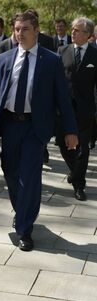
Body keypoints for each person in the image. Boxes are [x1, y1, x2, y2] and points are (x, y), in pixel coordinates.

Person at [0, 11, 78, 252]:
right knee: (11, 174)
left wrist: (70, 130)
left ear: (37, 31)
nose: (19, 34)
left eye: (25, 29)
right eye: (17, 29)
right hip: (8, 125)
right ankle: (22, 212)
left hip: (35, 128)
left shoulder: (51, 60)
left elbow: (63, 99)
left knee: (29, 178)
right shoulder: (5, 58)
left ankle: (25, 229)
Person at [56, 17, 97, 201]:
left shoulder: (95, 55)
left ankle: (78, 184)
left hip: (85, 110)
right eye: (72, 29)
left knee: (82, 149)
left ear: (88, 35)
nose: (72, 32)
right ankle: (75, 172)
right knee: (63, 145)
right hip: (63, 109)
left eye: (77, 30)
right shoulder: (62, 51)